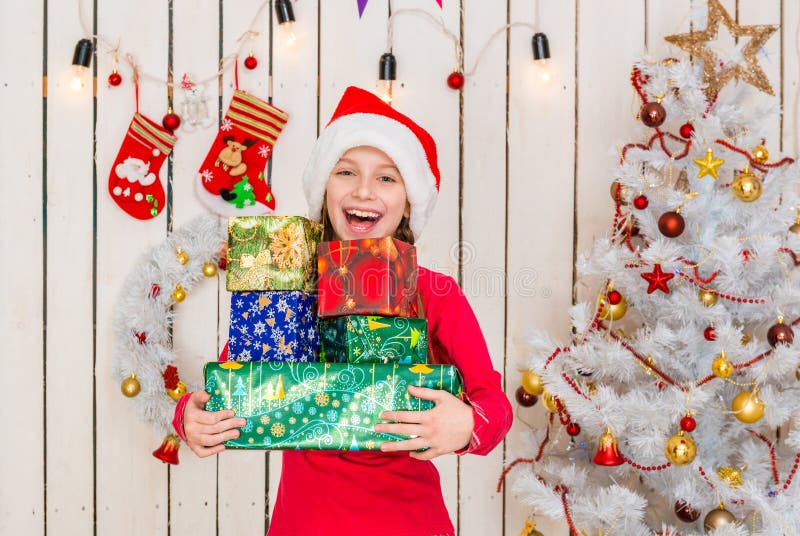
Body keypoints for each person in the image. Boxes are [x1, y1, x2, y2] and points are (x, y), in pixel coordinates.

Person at [172, 86, 513, 536]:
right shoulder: (285, 288)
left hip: (410, 521)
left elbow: (495, 403)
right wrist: (189, 418)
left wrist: (469, 422)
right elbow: (231, 387)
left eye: (387, 178)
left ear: (408, 201)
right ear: (324, 187)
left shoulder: (434, 292)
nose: (364, 190)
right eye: (346, 172)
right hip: (305, 522)